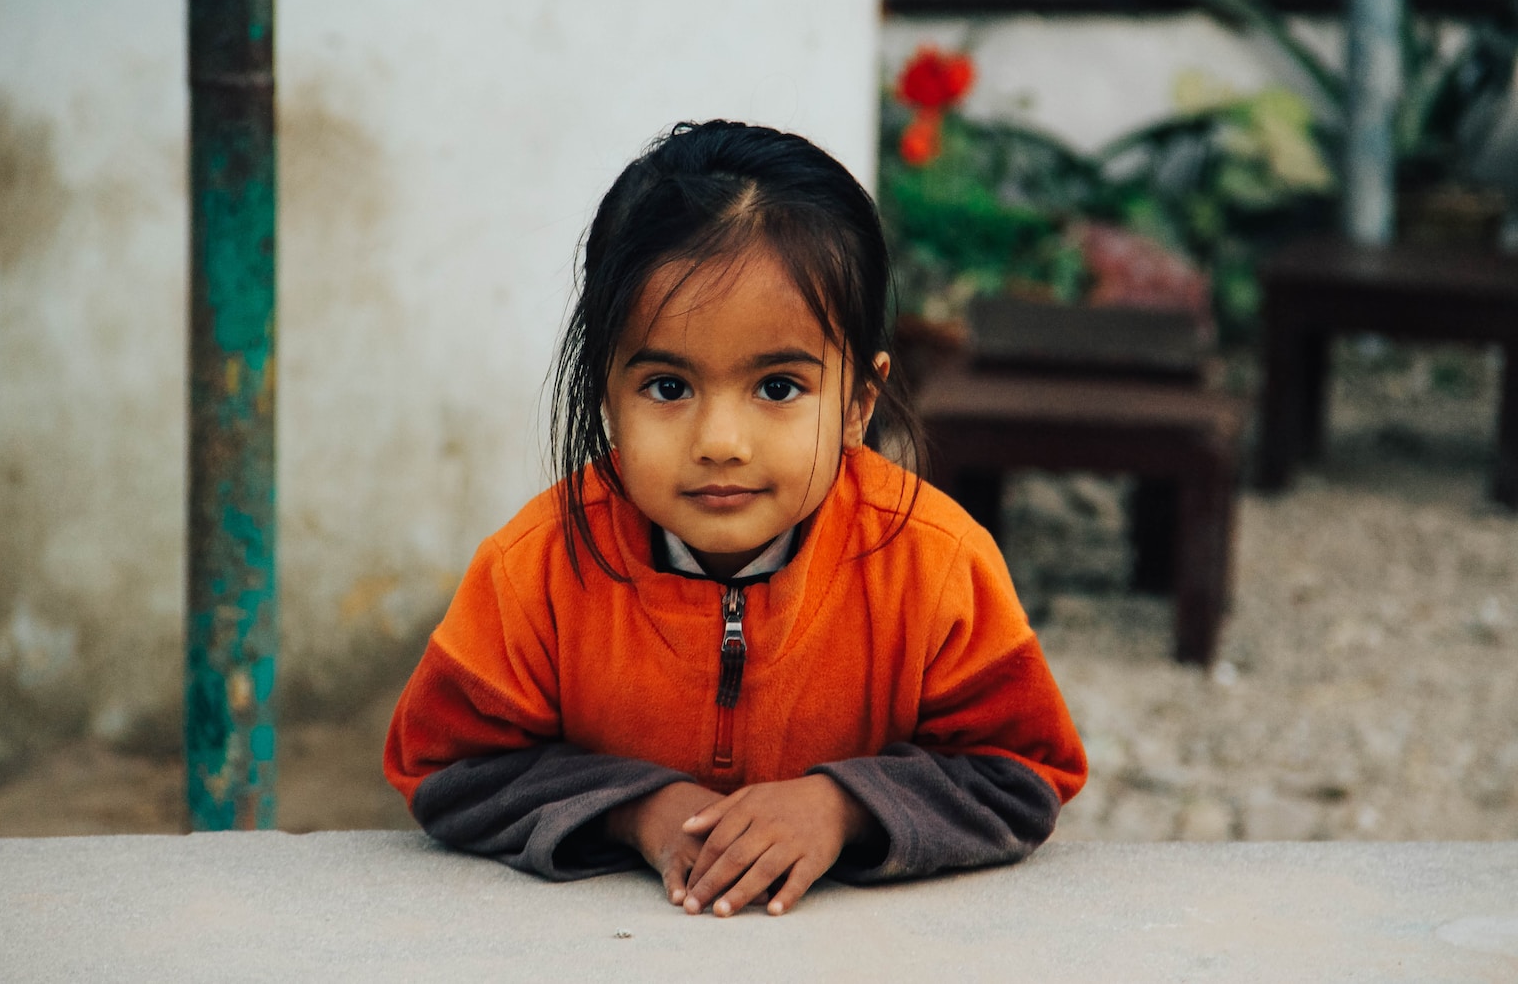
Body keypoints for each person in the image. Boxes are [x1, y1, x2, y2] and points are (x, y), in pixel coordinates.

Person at [384, 120, 1086, 917]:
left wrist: (842, 805)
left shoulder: (934, 565)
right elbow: (442, 765)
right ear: (606, 392)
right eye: (668, 387)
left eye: (779, 387)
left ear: (859, 402)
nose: (720, 443)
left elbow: (1023, 770)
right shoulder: (537, 569)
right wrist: (636, 807)